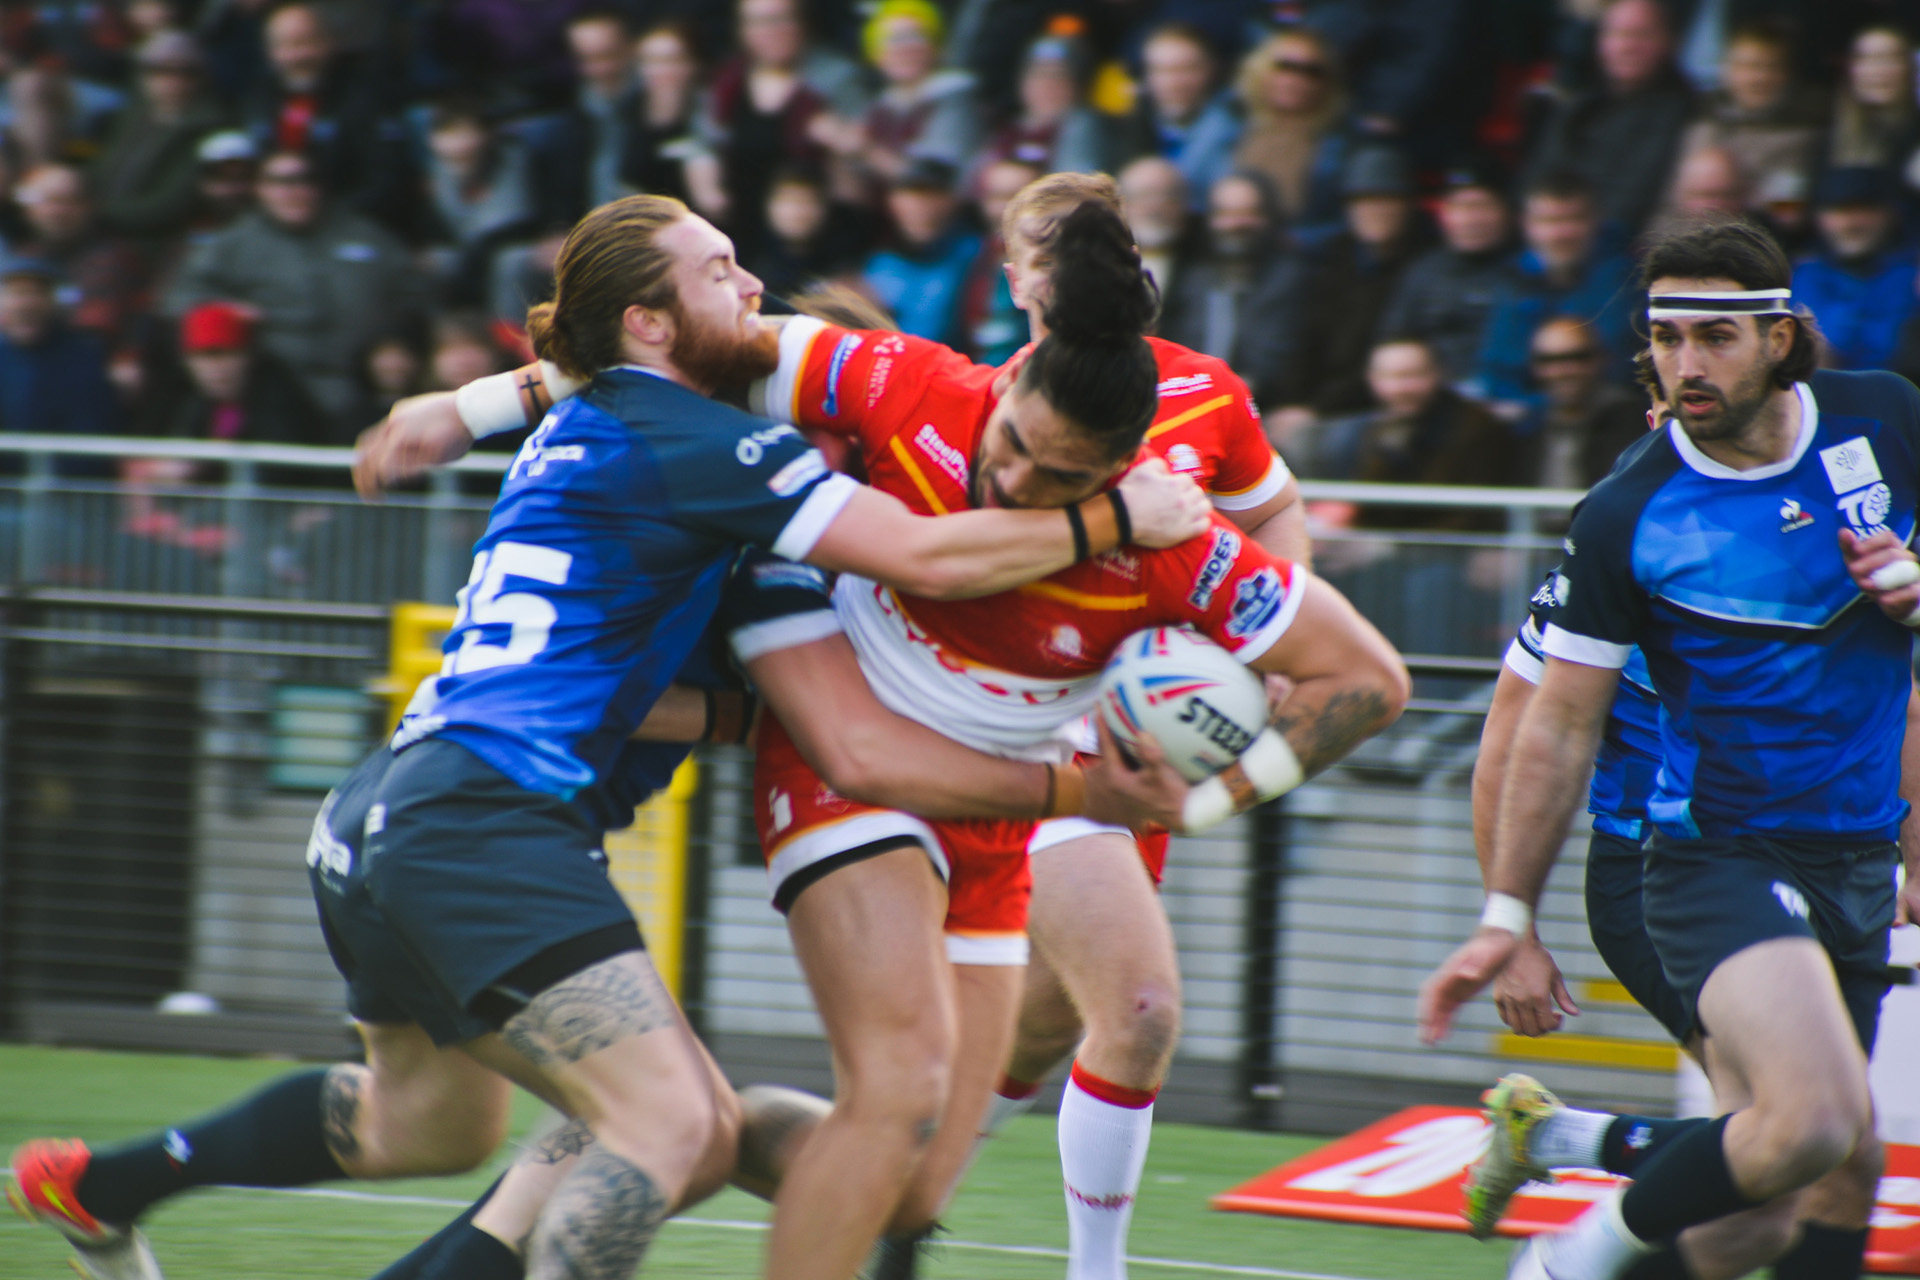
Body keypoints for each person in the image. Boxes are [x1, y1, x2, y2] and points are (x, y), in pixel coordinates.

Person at [14, 193, 1216, 1280]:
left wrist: (467, 405)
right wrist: (1120, 516)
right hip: (486, 821)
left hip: (388, 810)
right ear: (650, 324)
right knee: (673, 1125)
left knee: (430, 1123)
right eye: (723, 268)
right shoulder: (712, 447)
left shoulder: (620, 419)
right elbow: (913, 560)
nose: (751, 289)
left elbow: (642, 671)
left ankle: (103, 1184)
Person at [436, 198, 1403, 1280]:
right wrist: (472, 406)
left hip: (998, 803)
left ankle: (671, 1125)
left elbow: (1370, 676)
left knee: (917, 1186)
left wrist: (1216, 795)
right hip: (849, 747)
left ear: (1131, 466)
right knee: (899, 1079)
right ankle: (658, 1130)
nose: (1019, 484)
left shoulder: (1180, 538)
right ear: (1012, 376)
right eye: (1016, 446)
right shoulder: (910, 383)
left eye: (1063, 478)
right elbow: (677, 344)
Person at [1420, 219, 1916, 1280]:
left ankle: (1560, 1144)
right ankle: (1566, 1258)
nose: (1684, 366)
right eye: (1665, 338)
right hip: (1699, 857)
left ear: (1784, 337)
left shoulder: (1885, 420)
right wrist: (1508, 917)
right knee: (1820, 1131)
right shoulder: (1625, 518)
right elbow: (1533, 724)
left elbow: (1893, 692)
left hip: (1850, 856)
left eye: (1715, 337)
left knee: (1797, 1175)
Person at [166, 148, 429, 428]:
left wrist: (395, 340)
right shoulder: (232, 244)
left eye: (306, 180)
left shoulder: (367, 236)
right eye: (280, 182)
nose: (294, 191)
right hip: (270, 390)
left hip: (362, 385)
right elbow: (180, 298)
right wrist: (227, 310)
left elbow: (417, 297)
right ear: (259, 188)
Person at [1252, 144, 1425, 422]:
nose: (1374, 211)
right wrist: (1290, 403)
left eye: (1386, 200)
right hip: (1311, 403)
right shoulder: (1332, 261)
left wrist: (1315, 411)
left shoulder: (1419, 268)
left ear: (1407, 205)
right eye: (1363, 201)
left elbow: (1381, 358)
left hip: (1370, 404)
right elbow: (1304, 343)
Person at [1524, 0, 1695, 240]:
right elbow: (1534, 182)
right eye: (1617, 34)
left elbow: (1633, 204)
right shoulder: (1579, 104)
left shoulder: (1681, 112)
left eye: (1642, 35)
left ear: (1670, 42)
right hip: (1547, 243)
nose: (1628, 46)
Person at [1474, 171, 1636, 406]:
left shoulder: (1623, 277)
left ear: (1596, 220)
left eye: (1573, 219)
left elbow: (1615, 371)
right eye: (1548, 221)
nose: (1561, 234)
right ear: (1526, 225)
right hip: (1528, 419)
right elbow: (1500, 372)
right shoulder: (1514, 278)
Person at [1376, 162, 1519, 384]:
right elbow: (1393, 342)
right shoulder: (1422, 274)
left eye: (1481, 206)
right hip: (1435, 396)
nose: (1471, 220)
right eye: (1460, 208)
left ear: (1506, 211)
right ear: (1443, 214)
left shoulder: (1529, 269)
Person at [1674, 20, 1821, 221]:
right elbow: (1671, 201)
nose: (1758, 78)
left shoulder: (1805, 136)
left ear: (1786, 74)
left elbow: (1789, 213)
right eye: (1747, 66)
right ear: (1727, 71)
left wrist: (1732, 192)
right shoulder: (1701, 126)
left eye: (1769, 67)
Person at [90, 30, 226, 245]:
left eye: (185, 72)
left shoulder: (209, 128)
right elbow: (99, 168)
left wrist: (94, 213)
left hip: (151, 241)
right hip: (96, 226)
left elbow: (172, 204)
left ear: (202, 76)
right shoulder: (130, 116)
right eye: (159, 71)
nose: (172, 82)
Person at [1156, 170, 1291, 388]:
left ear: (1268, 217)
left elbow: (1276, 365)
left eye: (1248, 213)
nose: (1235, 224)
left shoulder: (1289, 280)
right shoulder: (1193, 279)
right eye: (1224, 214)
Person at [1230, 26, 1350, 250]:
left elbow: (1349, 223)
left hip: (1302, 260)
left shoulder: (1342, 146)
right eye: (1286, 66)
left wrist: (1301, 240)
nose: (1296, 79)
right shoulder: (1228, 128)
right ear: (1260, 69)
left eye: (1311, 71)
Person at [1791, 166, 1916, 373]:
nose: (1850, 223)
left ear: (1891, 213)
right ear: (1819, 219)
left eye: (1863, 210)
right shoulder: (1802, 276)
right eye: (1839, 211)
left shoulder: (1911, 276)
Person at [1114, 23, 1240, 207]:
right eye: (1162, 70)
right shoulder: (1121, 129)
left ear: (1211, 71)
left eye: (1187, 69)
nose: (1174, 82)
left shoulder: (1236, 133)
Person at [1513, 317, 1646, 490]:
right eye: (1548, 360)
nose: (1562, 371)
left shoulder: (1637, 424)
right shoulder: (1527, 428)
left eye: (1577, 358)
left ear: (1602, 359)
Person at [861, 158, 979, 348]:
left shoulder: (974, 254)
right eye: (911, 194)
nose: (920, 206)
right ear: (893, 202)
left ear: (951, 201)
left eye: (931, 195)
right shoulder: (878, 264)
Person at [0, 254, 118, 436]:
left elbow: (90, 428)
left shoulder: (83, 356)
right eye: (17, 293)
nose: (26, 303)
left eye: (37, 292)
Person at [1822, 26, 1918, 184]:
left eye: (1891, 59)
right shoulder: (1831, 139)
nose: (1879, 71)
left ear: (1910, 69)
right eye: (1866, 59)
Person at [1115, 156, 1200, 315]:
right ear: (1122, 206)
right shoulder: (1103, 262)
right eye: (1143, 196)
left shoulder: (1205, 264)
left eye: (1167, 196)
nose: (1154, 207)